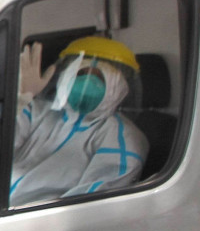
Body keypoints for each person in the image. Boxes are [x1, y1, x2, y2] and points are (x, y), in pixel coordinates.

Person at [9, 35, 147, 207]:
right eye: (80, 73)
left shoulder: (122, 137)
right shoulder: (38, 111)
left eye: (98, 78)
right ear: (66, 76)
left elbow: (91, 201)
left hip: (36, 222)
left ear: (118, 88)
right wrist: (21, 100)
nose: (86, 84)